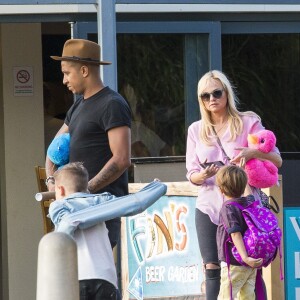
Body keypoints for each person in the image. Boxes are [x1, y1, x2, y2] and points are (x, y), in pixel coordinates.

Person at [185, 70, 282, 300]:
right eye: (205, 96)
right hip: (209, 207)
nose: (211, 99)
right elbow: (191, 174)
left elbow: (277, 159)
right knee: (211, 267)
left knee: (250, 268)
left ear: (227, 93)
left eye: (216, 93)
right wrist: (203, 174)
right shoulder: (196, 130)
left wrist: (252, 152)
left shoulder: (248, 121)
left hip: (244, 208)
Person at [45, 39, 132, 248]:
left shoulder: (112, 104)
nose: (64, 80)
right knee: (73, 276)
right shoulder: (77, 107)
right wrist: (51, 180)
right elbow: (54, 148)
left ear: (84, 70)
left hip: (101, 212)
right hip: (75, 211)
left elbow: (121, 159)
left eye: (67, 73)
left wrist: (85, 192)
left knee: (96, 277)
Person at [50, 162, 120, 300]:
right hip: (107, 278)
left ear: (61, 190)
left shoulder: (59, 206)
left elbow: (63, 234)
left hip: (77, 277)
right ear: (86, 187)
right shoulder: (100, 202)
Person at [216, 165, 263, 299]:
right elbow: (249, 195)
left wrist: (244, 258)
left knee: (226, 296)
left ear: (221, 190)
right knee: (247, 297)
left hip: (234, 262)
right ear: (243, 186)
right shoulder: (249, 203)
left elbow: (235, 234)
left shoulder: (228, 208)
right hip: (250, 264)